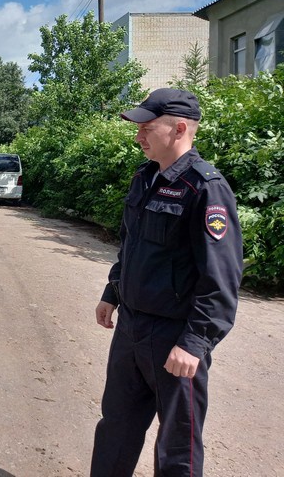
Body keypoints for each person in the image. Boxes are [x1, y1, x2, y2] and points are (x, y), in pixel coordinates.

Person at [91, 89, 243, 477]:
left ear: (178, 129)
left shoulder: (206, 188)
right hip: (131, 328)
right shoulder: (144, 178)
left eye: (146, 128)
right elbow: (131, 245)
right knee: (116, 428)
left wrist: (194, 342)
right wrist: (113, 291)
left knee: (178, 444)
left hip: (174, 335)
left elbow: (221, 278)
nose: (139, 137)